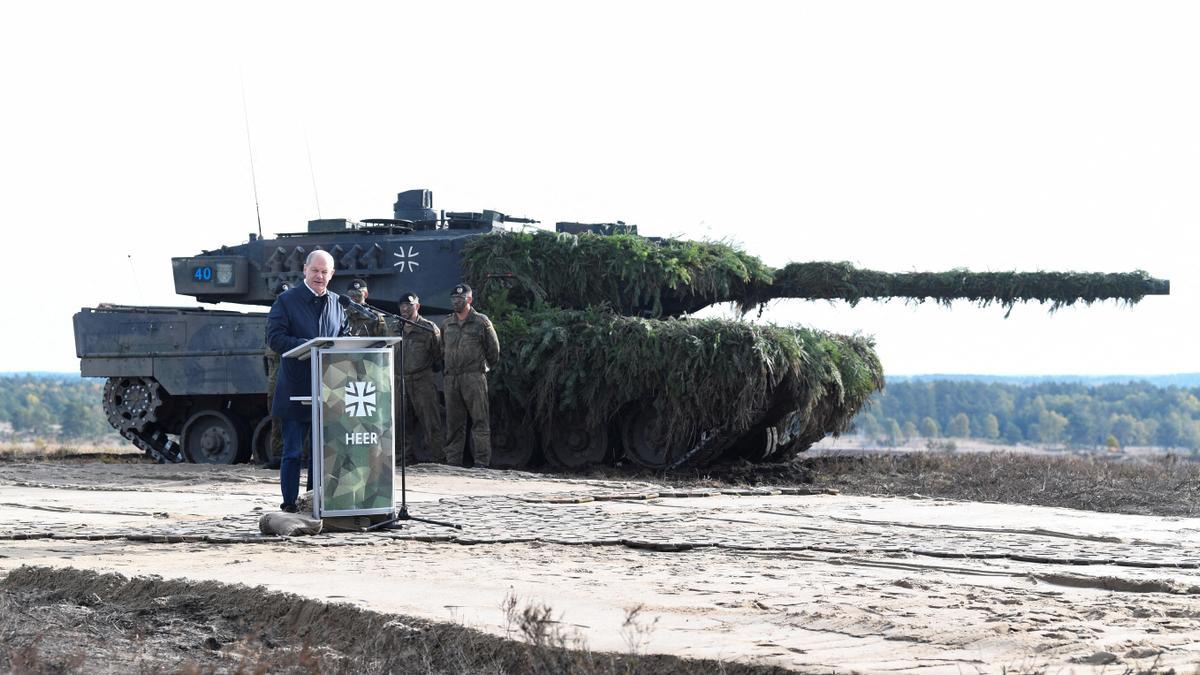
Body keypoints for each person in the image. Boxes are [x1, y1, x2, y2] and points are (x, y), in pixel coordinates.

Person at [266, 250, 348, 512]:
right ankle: (289, 504)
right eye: (315, 270)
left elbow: (343, 338)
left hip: (328, 389)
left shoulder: (338, 303)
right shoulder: (287, 302)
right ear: (305, 270)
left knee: (320, 455)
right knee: (292, 453)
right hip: (296, 388)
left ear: (332, 275)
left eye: (325, 272)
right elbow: (275, 338)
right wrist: (305, 345)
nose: (320, 276)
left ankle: (313, 501)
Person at [440, 283, 500, 468]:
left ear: (469, 300)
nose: (456, 302)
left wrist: (481, 367)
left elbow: (494, 351)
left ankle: (481, 462)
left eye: (461, 298)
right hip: (452, 378)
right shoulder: (447, 323)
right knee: (454, 423)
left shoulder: (481, 322)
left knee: (480, 421)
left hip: (474, 376)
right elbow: (442, 348)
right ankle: (453, 462)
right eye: (454, 299)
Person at [394, 292, 445, 465]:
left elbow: (438, 356)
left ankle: (438, 459)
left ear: (417, 306)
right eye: (402, 305)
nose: (405, 308)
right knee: (400, 422)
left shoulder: (428, 328)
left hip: (422, 380)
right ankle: (402, 460)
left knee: (431, 421)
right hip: (399, 380)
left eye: (409, 305)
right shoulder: (394, 328)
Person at [263, 281, 291, 470]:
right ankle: (277, 454)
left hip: (291, 370)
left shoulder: (295, 318)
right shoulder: (272, 319)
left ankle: (302, 454)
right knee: (275, 412)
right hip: (275, 371)